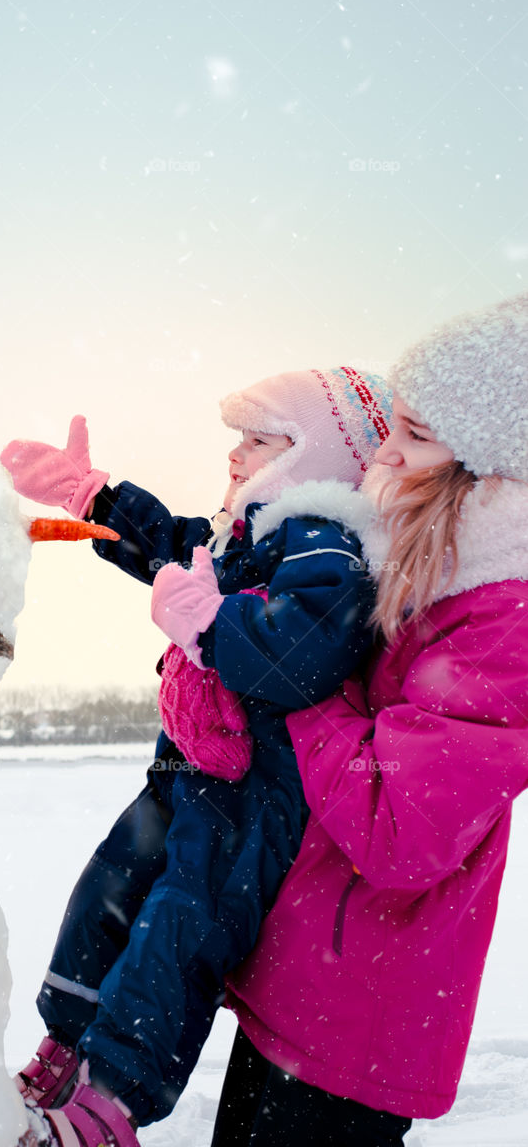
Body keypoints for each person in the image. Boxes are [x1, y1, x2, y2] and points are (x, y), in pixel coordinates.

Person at [0, 367, 392, 1147]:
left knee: (180, 926)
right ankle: (66, 1044)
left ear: (318, 454)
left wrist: (213, 624)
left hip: (250, 791)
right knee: (107, 892)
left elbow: (308, 648)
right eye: (237, 439)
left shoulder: (324, 537)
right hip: (183, 769)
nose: (237, 455)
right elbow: (176, 547)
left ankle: (110, 1101)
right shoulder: (249, 533)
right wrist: (95, 498)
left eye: (260, 439)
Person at [212, 294, 528, 1147]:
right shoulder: (421, 578)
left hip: (360, 1020)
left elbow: (397, 830)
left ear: (493, 469)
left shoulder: (506, 624)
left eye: (416, 433)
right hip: (305, 980)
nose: (385, 450)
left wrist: (300, 674)